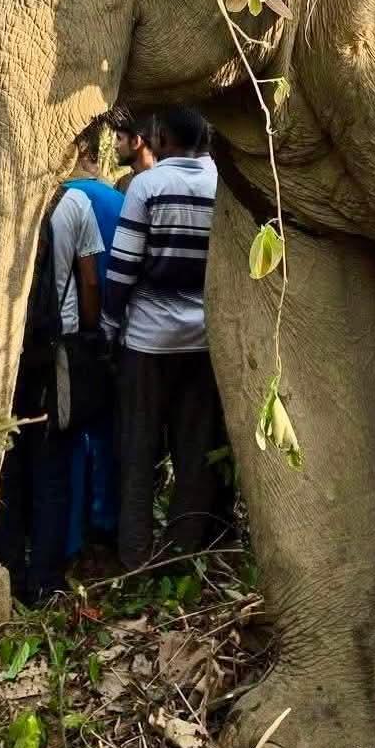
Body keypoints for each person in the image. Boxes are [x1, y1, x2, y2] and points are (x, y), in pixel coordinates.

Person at [103, 106, 228, 569]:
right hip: (204, 341)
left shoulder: (147, 186)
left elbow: (122, 268)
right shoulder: (222, 184)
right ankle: (183, 556)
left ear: (158, 136)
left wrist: (110, 328)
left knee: (137, 451)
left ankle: (135, 555)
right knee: (195, 453)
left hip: (148, 342)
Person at [0, 167, 105, 603]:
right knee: (52, 464)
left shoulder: (4, 196)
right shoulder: (75, 203)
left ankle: (7, 571)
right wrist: (91, 335)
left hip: (6, 353)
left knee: (8, 463)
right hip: (57, 352)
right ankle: (46, 578)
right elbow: (90, 279)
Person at [63, 119, 125, 553]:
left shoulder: (54, 200)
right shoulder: (120, 201)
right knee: (107, 428)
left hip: (65, 336)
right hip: (114, 330)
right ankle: (106, 520)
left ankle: (69, 529)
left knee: (66, 432)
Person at [109, 106, 157, 193]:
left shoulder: (163, 184)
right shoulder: (122, 184)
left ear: (136, 141)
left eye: (119, 138)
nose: (115, 146)